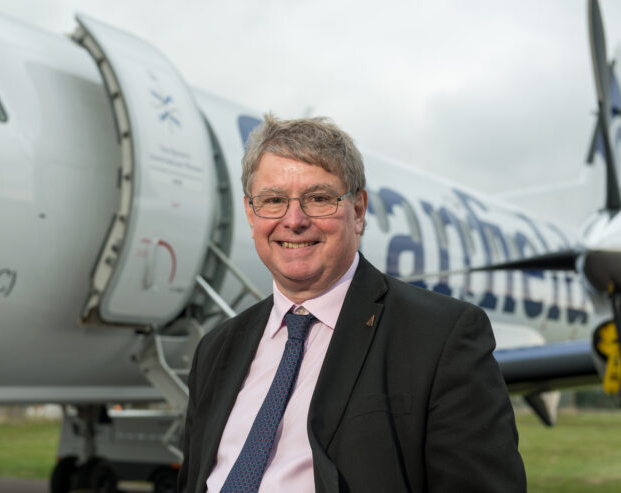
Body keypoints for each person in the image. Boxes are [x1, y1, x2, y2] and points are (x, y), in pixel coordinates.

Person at [178, 114, 526, 492]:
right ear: (250, 212)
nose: (294, 220)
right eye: (273, 200)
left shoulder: (441, 337)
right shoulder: (215, 350)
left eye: (319, 199)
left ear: (358, 210)